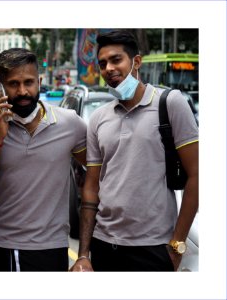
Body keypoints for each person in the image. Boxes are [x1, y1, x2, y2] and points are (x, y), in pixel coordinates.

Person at [71, 30, 199, 272]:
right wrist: (84, 254)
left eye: (116, 59)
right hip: (104, 244)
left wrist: (177, 245)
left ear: (136, 62)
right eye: (102, 63)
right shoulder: (98, 118)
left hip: (154, 247)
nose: (108, 68)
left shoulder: (170, 103)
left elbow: (198, 175)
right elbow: (91, 187)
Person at [0, 48, 87, 271]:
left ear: (40, 81)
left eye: (29, 82)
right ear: (0, 87)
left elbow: (95, 171)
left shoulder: (71, 124)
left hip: (53, 248)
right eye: (13, 84)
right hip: (2, 245)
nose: (23, 91)